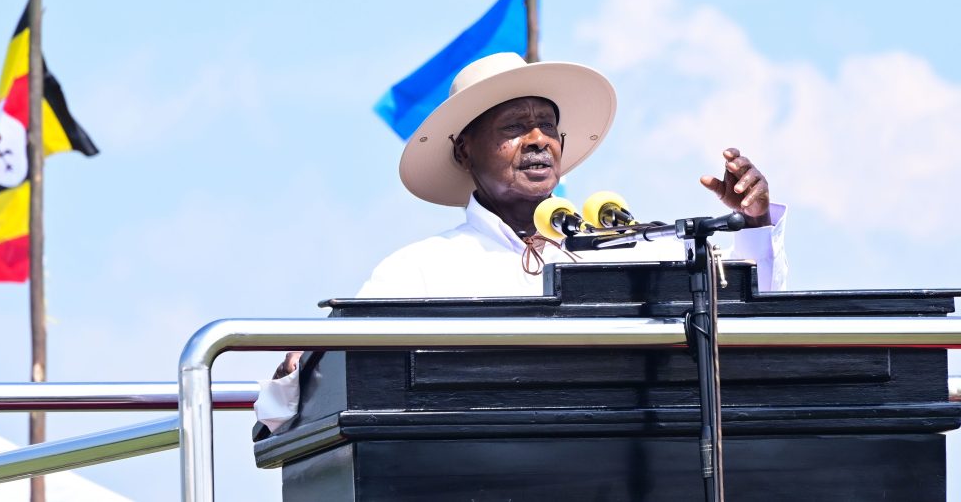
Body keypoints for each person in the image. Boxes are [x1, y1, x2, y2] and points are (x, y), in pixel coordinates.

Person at [255, 52, 787, 429]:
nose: (538, 140)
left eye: (546, 127)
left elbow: (742, 320)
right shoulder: (416, 272)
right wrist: (296, 367)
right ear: (465, 151)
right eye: (515, 126)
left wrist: (754, 223)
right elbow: (284, 411)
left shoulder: (632, 247)